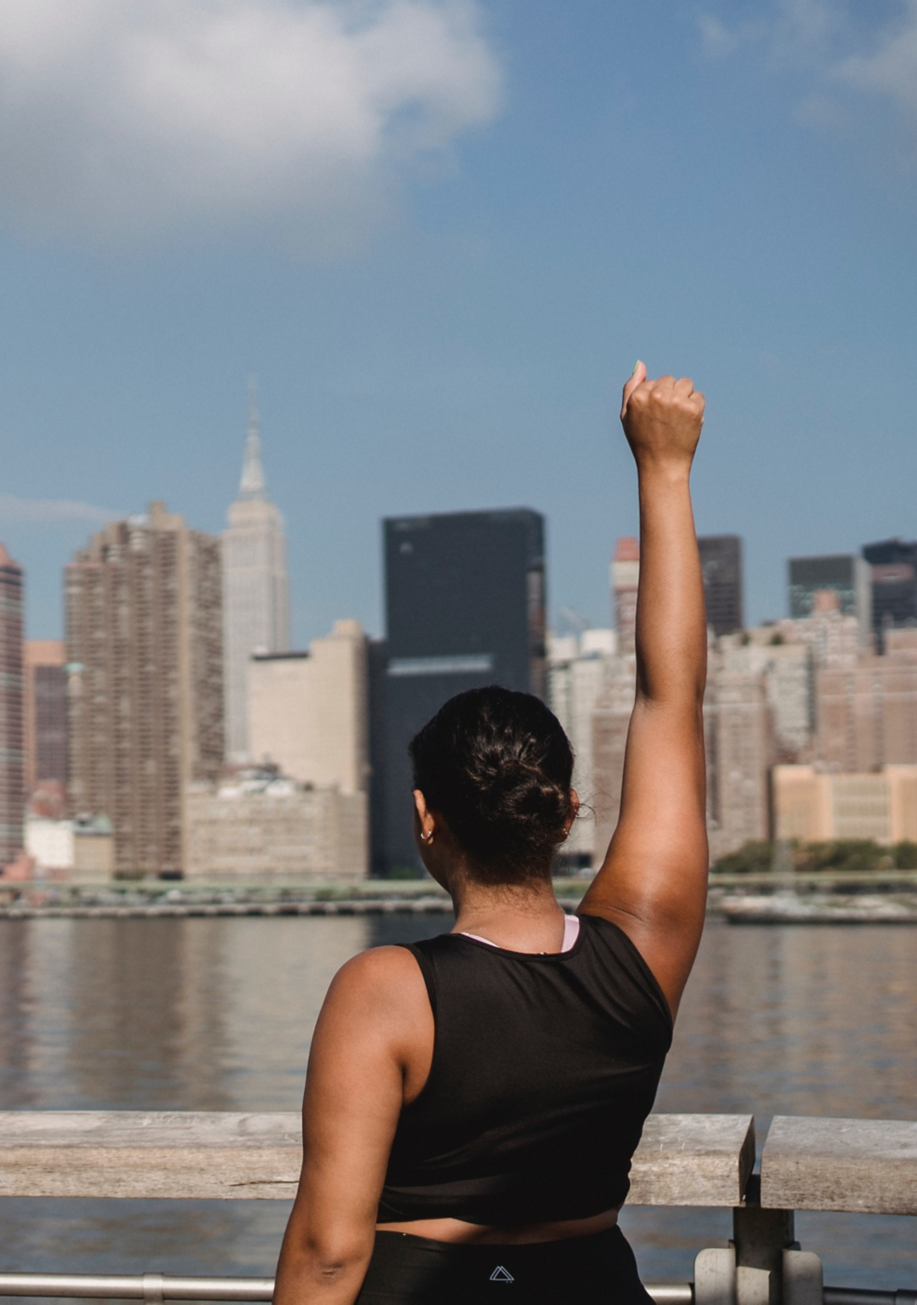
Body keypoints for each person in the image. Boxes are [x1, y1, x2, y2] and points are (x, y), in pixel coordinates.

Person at [272, 364, 711, 1305]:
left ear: (426, 820)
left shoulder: (384, 990)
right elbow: (672, 700)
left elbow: (328, 1251)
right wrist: (664, 470)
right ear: (566, 809)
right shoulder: (642, 951)